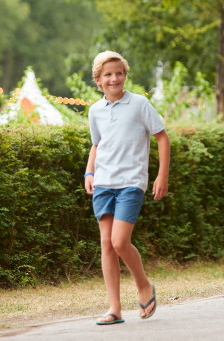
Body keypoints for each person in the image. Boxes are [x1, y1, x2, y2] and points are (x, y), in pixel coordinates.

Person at [84, 51, 171, 325]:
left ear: (125, 75)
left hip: (131, 183)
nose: (114, 78)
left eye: (119, 73)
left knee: (120, 241)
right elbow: (97, 144)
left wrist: (162, 176)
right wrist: (89, 171)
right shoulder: (95, 111)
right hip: (103, 184)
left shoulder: (139, 104)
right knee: (106, 245)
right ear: (98, 80)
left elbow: (162, 138)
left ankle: (143, 284)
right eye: (108, 74)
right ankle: (114, 308)